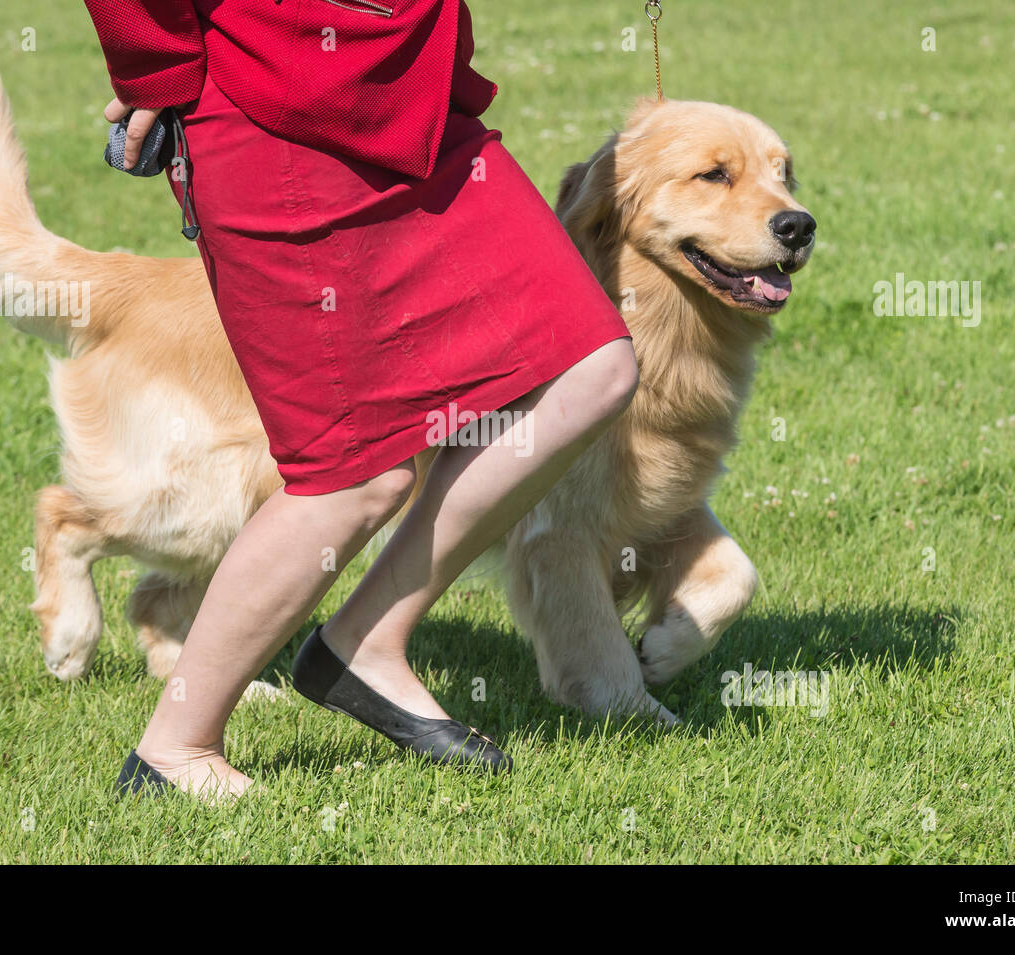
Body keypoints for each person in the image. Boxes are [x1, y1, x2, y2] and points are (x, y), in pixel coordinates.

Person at [87, 0, 637, 801]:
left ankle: (367, 640)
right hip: (274, 103)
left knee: (590, 369)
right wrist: (156, 69)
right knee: (351, 478)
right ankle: (176, 746)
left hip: (413, 93)